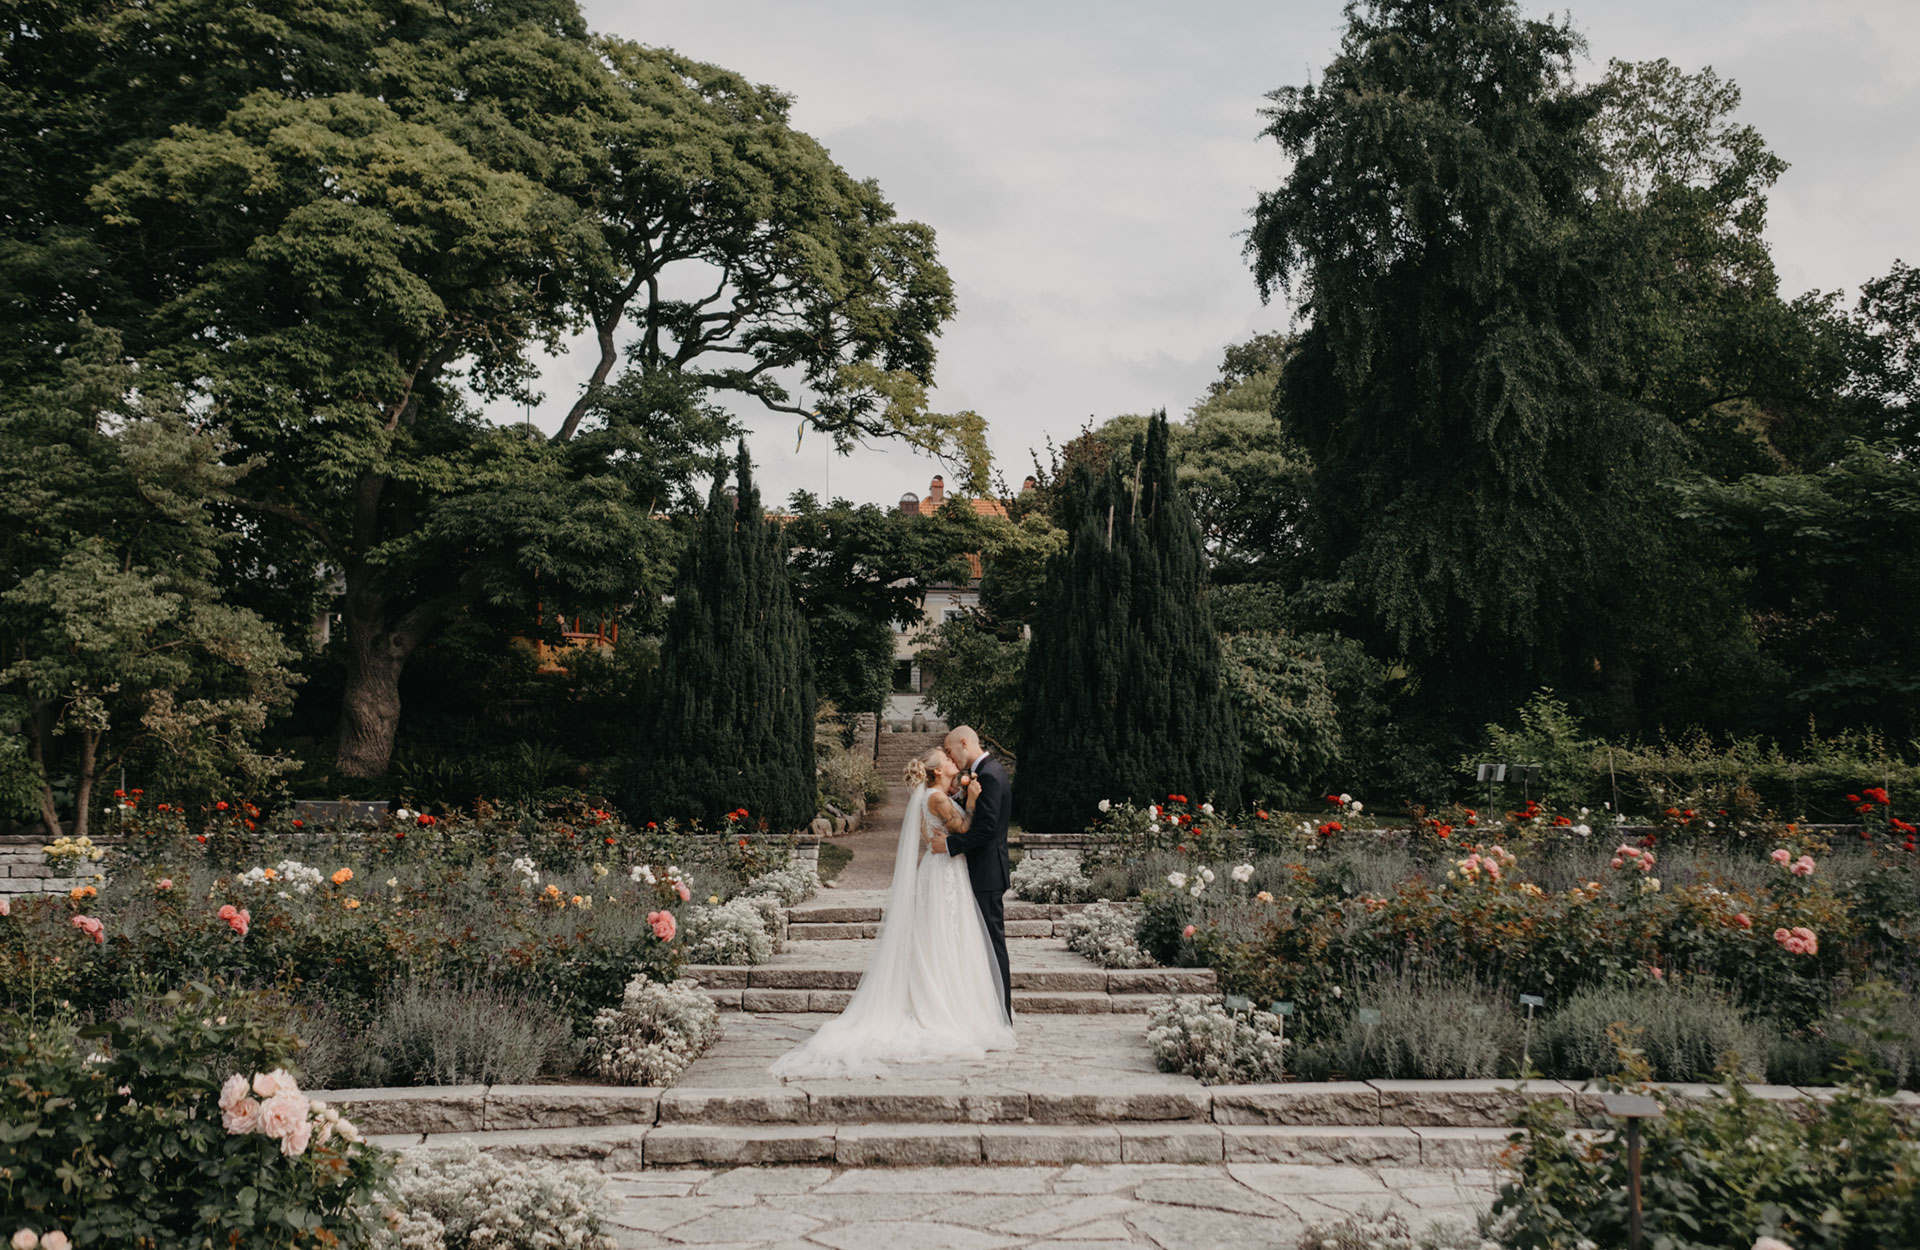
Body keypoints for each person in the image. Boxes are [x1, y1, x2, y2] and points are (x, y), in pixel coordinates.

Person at [768, 745, 1016, 1079]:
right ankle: (943, 1006)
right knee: (942, 935)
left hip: (944, 868)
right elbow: (963, 828)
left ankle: (953, 999)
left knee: (946, 936)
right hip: (942, 871)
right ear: (937, 770)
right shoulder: (937, 798)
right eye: (945, 758)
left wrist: (961, 792)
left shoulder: (936, 794)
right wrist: (971, 797)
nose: (951, 759)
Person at [939, 725, 1013, 1018]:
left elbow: (986, 829)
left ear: (964, 743)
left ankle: (1002, 1014)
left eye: (949, 750)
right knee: (980, 944)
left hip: (987, 873)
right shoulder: (985, 773)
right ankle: (987, 1009)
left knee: (993, 946)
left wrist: (948, 845)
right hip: (982, 871)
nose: (950, 757)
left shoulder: (991, 775)